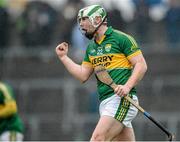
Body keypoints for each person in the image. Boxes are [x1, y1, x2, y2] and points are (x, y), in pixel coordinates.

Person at [55, 4, 147, 141]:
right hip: (105, 102)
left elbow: (141, 65)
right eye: (80, 21)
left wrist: (127, 87)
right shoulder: (91, 47)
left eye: (84, 19)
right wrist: (64, 58)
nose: (81, 24)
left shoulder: (121, 38)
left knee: (98, 138)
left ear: (97, 19)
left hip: (121, 100)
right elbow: (82, 75)